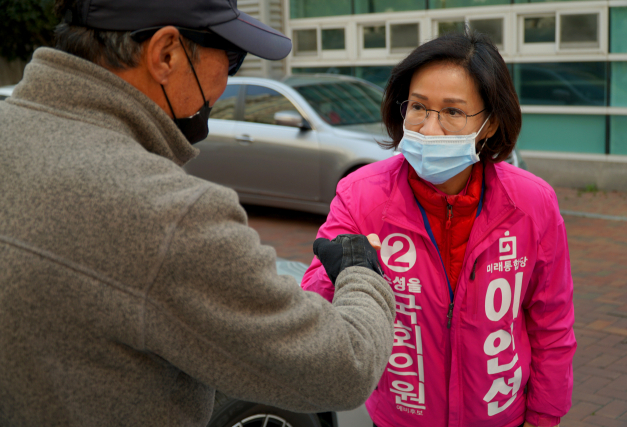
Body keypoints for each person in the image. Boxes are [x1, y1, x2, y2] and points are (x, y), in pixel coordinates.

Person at [0, 1, 396, 426]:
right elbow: (343, 370)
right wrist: (363, 275)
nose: (226, 82)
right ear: (166, 53)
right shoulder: (168, 214)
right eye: (232, 58)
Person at [301, 30, 576, 427]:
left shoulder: (533, 203)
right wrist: (345, 269)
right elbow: (314, 311)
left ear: (490, 123)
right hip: (399, 416)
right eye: (418, 107)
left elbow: (551, 323)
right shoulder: (359, 194)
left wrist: (544, 417)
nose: (429, 129)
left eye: (452, 111)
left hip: (502, 416)